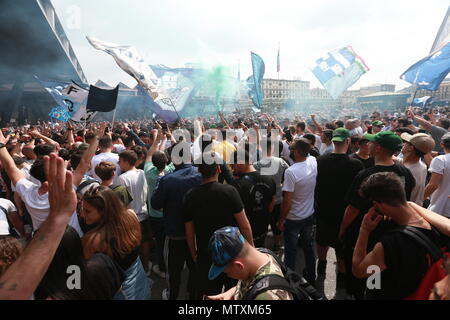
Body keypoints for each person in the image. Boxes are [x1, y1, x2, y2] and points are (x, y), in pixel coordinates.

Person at [339, 130, 415, 299]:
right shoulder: (405, 172)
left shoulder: (366, 175)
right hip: (394, 232)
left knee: (364, 275)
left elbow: (353, 209)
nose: (369, 145)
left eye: (372, 142)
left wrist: (343, 229)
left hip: (367, 235)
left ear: (378, 148)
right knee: (379, 277)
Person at [353, 172, 445, 299]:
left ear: (377, 204)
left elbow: (359, 270)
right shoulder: (435, 224)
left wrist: (364, 230)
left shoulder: (390, 244)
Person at [0, 153, 78, 299]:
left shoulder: (27, 191)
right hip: (68, 240)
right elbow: (85, 162)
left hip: (40, 244)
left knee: (46, 276)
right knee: (73, 273)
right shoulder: (68, 190)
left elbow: (11, 167)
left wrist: (2, 147)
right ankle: (73, 292)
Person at [183, 155, 254, 299]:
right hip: (233, 252)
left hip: (206, 253)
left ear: (200, 172)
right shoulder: (229, 191)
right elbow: (244, 225)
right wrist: (251, 249)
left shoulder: (190, 196)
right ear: (219, 169)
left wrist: (194, 254)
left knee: (210, 294)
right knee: (235, 291)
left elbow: (189, 232)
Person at [80, 185, 151, 300]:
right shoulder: (132, 216)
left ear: (103, 212)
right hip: (140, 284)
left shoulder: (92, 241)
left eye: (87, 211)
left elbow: (80, 275)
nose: (82, 214)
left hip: (120, 293)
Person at [151, 141, 202, 300]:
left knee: (174, 271)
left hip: (175, 234)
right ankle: (191, 294)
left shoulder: (168, 180)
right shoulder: (202, 174)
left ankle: (172, 295)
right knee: (195, 268)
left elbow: (155, 203)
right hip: (197, 234)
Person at [315, 128, 364, 286]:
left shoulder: (320, 160)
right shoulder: (356, 164)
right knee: (341, 246)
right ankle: (342, 277)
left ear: (333, 141)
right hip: (344, 213)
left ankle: (321, 265)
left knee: (322, 240)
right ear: (348, 141)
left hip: (323, 210)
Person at [207, 226, 293, 300]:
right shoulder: (258, 255)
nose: (228, 276)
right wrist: (230, 293)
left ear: (239, 266)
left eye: (227, 273)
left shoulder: (267, 296)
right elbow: (251, 283)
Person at [277, 138, 317, 285]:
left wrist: (281, 219)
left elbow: (287, 201)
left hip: (294, 218)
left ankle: (290, 281)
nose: (291, 151)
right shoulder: (313, 161)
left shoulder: (291, 172)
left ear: (297, 152)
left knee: (290, 250)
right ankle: (312, 276)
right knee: (308, 246)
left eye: (292, 149)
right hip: (309, 214)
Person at [231, 147, 276, 248]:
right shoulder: (269, 179)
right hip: (263, 228)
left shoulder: (237, 185)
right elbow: (272, 201)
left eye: (233, 165)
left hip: (246, 234)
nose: (233, 168)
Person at [144, 131, 174, 279]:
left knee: (161, 243)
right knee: (172, 241)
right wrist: (168, 138)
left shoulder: (149, 173)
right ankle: (174, 266)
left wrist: (157, 140)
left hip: (155, 214)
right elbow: (168, 155)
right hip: (170, 213)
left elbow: (150, 155)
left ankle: (163, 268)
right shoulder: (171, 170)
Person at [117, 150, 151, 275]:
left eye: (120, 161)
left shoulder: (122, 178)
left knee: (134, 246)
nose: (118, 164)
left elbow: (122, 201)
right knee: (145, 243)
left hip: (131, 218)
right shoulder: (142, 173)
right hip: (144, 213)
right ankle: (146, 268)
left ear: (126, 162)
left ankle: (139, 271)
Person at [254, 138, 289, 251]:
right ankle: (277, 243)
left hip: (263, 200)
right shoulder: (281, 162)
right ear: (272, 148)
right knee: (277, 222)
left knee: (263, 223)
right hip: (279, 198)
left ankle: (262, 247)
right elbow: (289, 173)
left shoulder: (257, 165)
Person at [400, 133, 435, 206]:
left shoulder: (405, 171)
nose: (403, 144)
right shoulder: (422, 166)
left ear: (411, 148)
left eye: (406, 142)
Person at [425, 133, 450, 218]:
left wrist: (419, 200)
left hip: (440, 208)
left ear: (442, 144)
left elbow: (433, 185)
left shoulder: (440, 160)